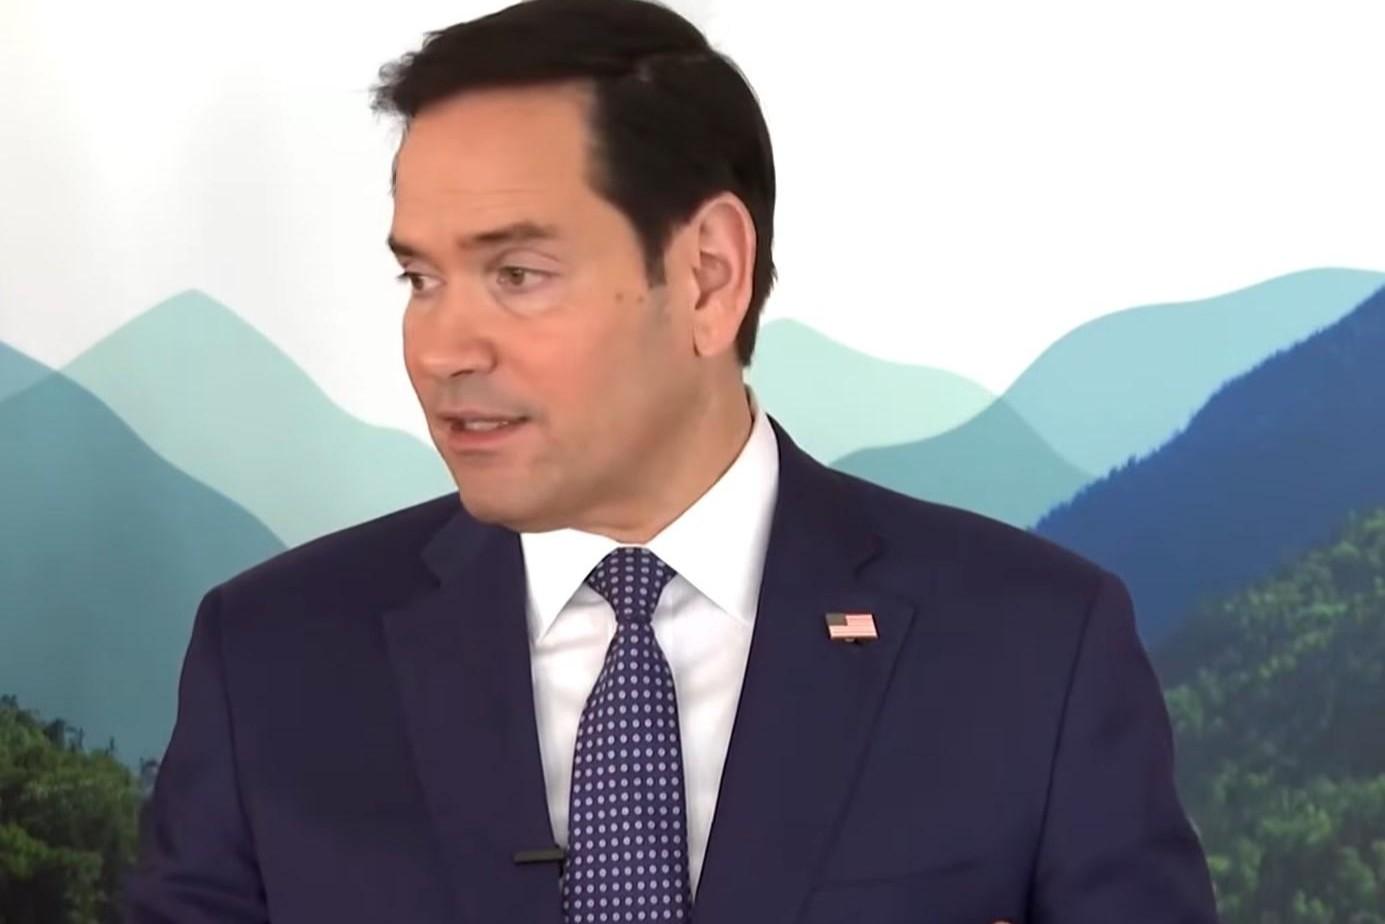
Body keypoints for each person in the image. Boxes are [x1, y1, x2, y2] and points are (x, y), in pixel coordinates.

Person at [124, 1, 1219, 921]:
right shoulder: (271, 659)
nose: (442, 348)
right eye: (420, 279)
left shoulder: (1034, 649)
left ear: (706, 277)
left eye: (515, 274)